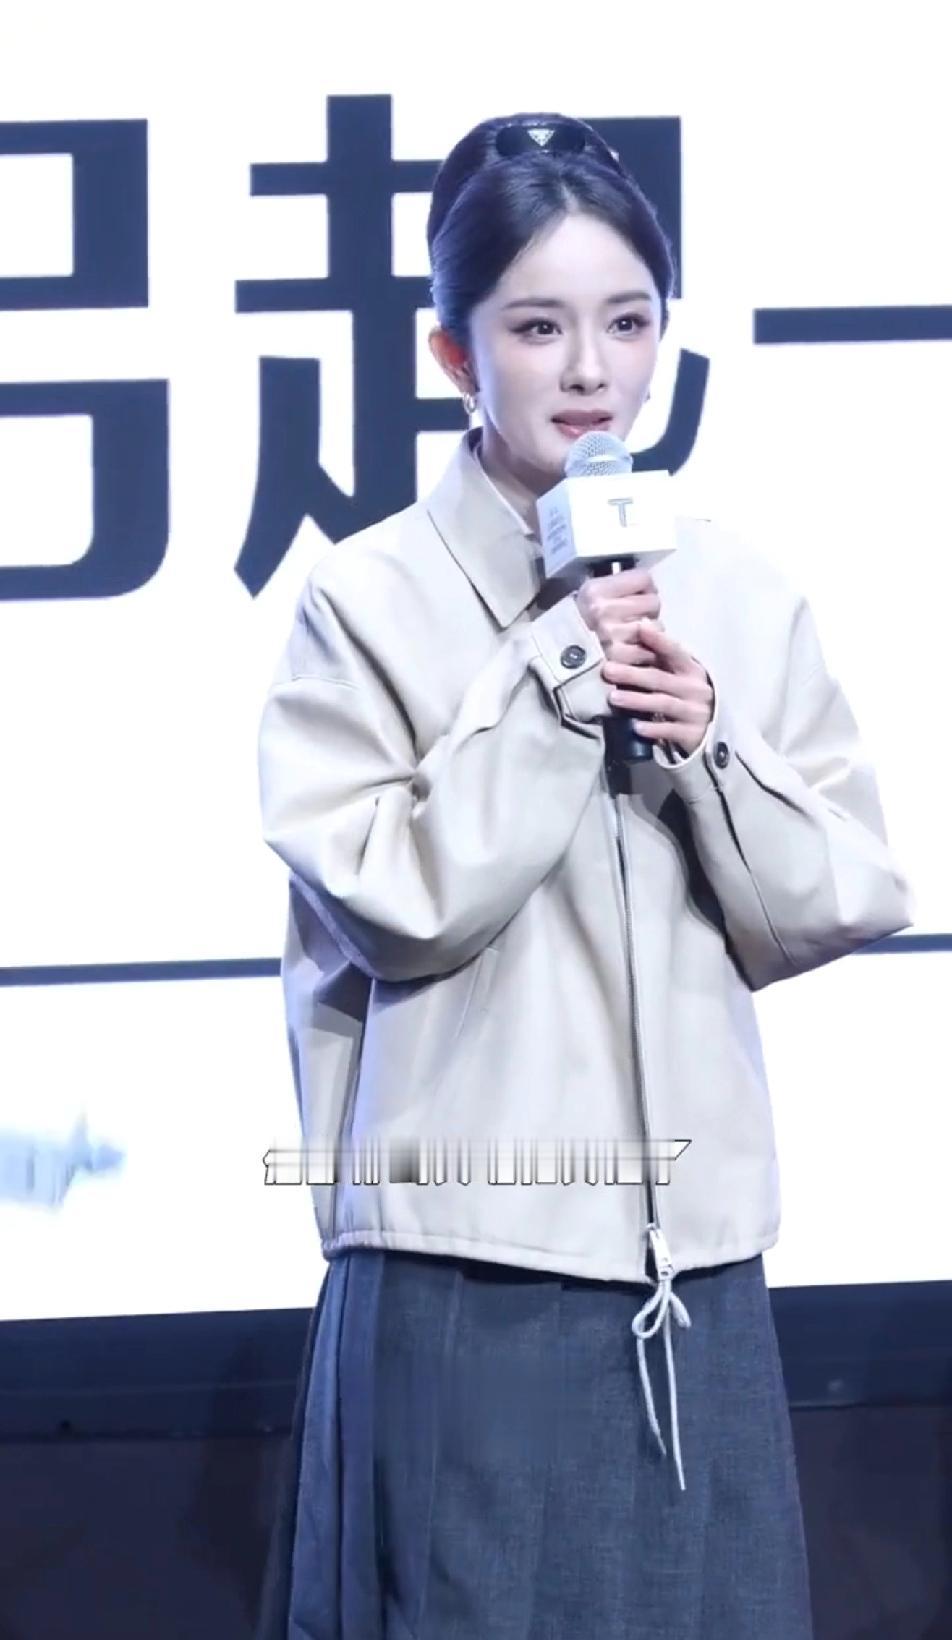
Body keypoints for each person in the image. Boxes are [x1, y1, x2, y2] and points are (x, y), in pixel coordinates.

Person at [254, 111, 913, 1640]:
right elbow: (399, 905)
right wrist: (556, 667)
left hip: (700, 1278)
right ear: (452, 354)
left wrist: (709, 740)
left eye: (627, 322)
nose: (590, 370)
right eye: (537, 327)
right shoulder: (366, 601)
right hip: (463, 1270)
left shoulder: (732, 588)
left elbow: (838, 895)